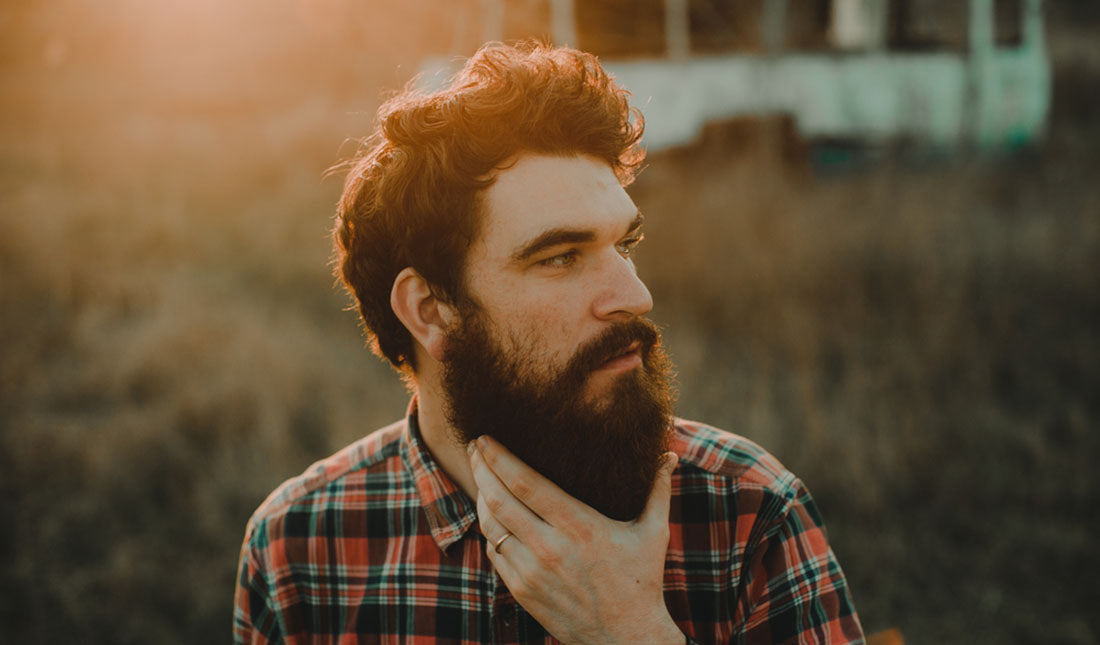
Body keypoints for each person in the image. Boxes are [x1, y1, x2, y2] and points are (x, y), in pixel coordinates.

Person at [233, 41, 864, 644]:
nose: (634, 295)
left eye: (625, 245)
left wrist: (630, 633)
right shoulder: (301, 549)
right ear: (431, 311)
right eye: (562, 257)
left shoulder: (745, 514)